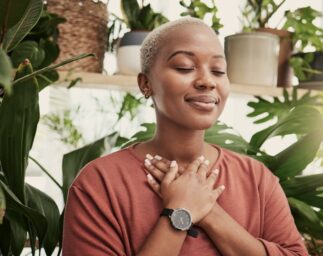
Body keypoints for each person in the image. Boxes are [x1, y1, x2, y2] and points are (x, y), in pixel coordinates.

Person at [62, 17, 308, 256]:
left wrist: (211, 213)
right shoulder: (99, 184)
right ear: (146, 84)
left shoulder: (257, 179)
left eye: (219, 70)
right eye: (185, 67)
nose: (207, 81)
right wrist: (179, 212)